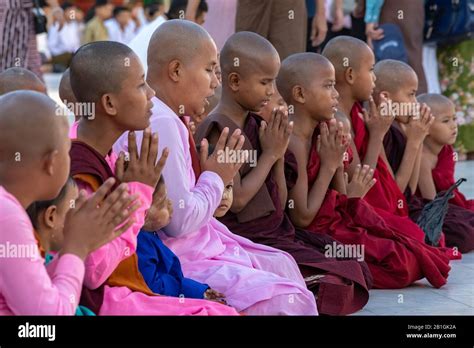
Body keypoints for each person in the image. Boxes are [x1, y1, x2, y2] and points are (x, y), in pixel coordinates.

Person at [115, 20, 318, 315]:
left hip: (203, 240)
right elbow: (178, 223)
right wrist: (216, 178)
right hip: (179, 256)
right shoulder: (162, 121)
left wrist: (215, 183)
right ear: (176, 71)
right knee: (292, 299)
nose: (215, 82)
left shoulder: (171, 117)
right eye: (209, 70)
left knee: (284, 265)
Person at [195, 32, 372, 315]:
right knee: (340, 282)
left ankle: (299, 283)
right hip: (247, 239)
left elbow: (283, 198)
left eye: (273, 82)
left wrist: (275, 156)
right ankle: (295, 286)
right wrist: (271, 155)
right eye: (264, 82)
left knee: (353, 264)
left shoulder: (257, 123)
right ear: (235, 82)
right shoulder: (220, 127)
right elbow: (236, 199)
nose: (270, 91)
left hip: (277, 233)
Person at [69, 41, 238, 316]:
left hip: (142, 278)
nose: (151, 93)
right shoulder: (80, 171)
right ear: (109, 103)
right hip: (105, 299)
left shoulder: (106, 152)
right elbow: (95, 272)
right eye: (140, 86)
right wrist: (138, 195)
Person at [279, 52, 453, 289]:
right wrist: (330, 165)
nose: (336, 94)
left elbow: (346, 198)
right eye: (329, 87)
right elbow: (303, 217)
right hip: (318, 232)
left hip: (341, 219)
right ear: (299, 94)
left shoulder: (327, 130)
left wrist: (338, 169)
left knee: (415, 240)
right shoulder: (295, 142)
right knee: (402, 265)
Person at [0, 90, 137, 314]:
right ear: (52, 163)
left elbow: (34, 291)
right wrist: (77, 249)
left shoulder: (10, 208)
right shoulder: (7, 216)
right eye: (68, 150)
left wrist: (81, 244)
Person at [137, 177, 228, 304]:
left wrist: (200, 291)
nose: (170, 204)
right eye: (162, 202)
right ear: (143, 210)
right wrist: (195, 293)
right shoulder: (140, 242)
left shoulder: (149, 235)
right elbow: (154, 288)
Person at [128, 0, 208, 72]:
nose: (201, 27)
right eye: (201, 22)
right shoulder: (168, 34)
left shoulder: (161, 26)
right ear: (190, 16)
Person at [47, 2, 82, 70]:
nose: (73, 14)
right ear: (64, 12)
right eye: (71, 11)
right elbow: (51, 46)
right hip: (60, 56)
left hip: (73, 55)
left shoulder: (74, 25)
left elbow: (76, 44)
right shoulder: (56, 26)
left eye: (74, 11)